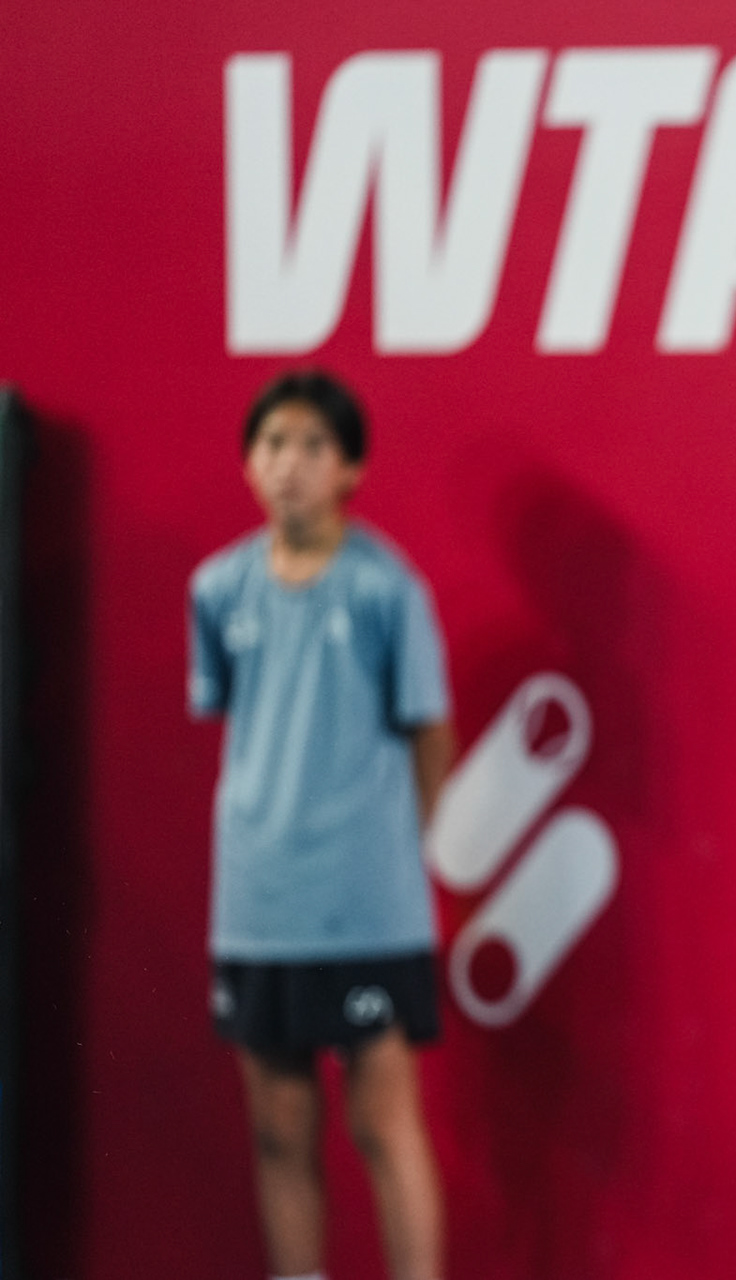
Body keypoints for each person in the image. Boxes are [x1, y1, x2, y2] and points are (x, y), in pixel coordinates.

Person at [189, 370, 456, 1280]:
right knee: (279, 1131)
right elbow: (234, 714)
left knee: (382, 1126)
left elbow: (429, 732)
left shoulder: (389, 591)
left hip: (368, 908)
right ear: (247, 463)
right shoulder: (218, 590)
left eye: (312, 447)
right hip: (258, 903)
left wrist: (408, 857)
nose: (288, 467)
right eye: (272, 445)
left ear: (352, 470)